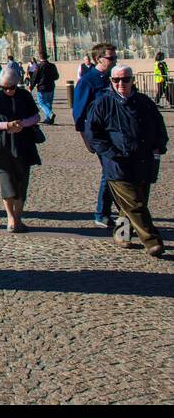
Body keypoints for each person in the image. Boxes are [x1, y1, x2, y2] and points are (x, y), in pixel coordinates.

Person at [87, 64, 166, 258]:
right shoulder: (102, 103)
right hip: (117, 163)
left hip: (143, 161)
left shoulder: (145, 102)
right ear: (111, 81)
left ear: (132, 80)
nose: (121, 83)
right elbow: (93, 135)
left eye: (125, 79)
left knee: (130, 204)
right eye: (116, 80)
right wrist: (111, 152)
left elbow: (159, 127)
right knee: (135, 203)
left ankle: (121, 234)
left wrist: (158, 146)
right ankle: (152, 241)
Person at [0, 66, 42, 233]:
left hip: (23, 143)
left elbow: (36, 116)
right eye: (5, 87)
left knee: (22, 182)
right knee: (7, 182)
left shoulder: (25, 95)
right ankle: (10, 218)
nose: (8, 90)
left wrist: (22, 124)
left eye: (12, 87)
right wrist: (6, 125)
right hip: (2, 145)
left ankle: (18, 216)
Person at [73, 43, 117, 228]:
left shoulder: (115, 78)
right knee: (110, 171)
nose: (114, 61)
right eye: (111, 58)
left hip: (117, 132)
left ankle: (116, 211)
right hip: (100, 135)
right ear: (99, 59)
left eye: (115, 58)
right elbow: (79, 113)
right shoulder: (88, 81)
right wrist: (85, 138)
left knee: (117, 171)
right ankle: (102, 213)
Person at [28, 52, 59, 124]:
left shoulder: (39, 66)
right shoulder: (52, 66)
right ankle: (49, 119)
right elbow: (56, 76)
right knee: (49, 103)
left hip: (42, 87)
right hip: (51, 86)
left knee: (41, 102)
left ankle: (50, 114)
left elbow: (34, 77)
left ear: (40, 58)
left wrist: (31, 87)